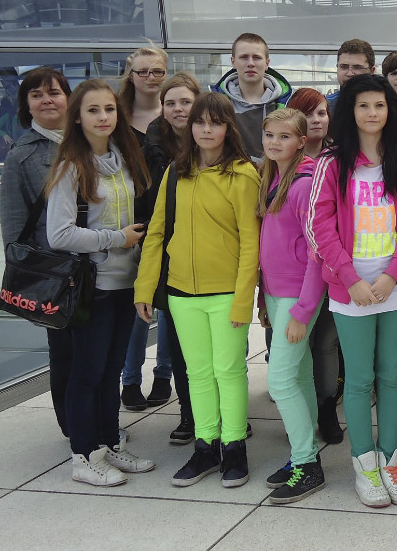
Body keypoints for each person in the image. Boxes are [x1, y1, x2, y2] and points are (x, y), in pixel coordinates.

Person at [133, 93, 261, 489]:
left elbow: (250, 244)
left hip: (226, 294)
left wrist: (244, 298)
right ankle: (206, 446)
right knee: (199, 373)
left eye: (215, 122)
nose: (207, 129)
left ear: (228, 128)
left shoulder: (242, 174)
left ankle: (234, 447)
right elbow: (156, 233)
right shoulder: (176, 171)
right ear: (190, 128)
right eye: (200, 122)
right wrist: (145, 287)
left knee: (229, 371)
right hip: (180, 294)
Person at [306, 74, 397, 508]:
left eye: (380, 105)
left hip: (395, 285)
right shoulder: (332, 163)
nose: (372, 113)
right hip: (349, 287)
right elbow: (318, 228)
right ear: (349, 112)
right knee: (359, 379)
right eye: (363, 106)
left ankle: (391, 462)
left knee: (393, 376)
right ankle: (364, 464)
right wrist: (350, 279)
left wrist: (393, 273)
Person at [46, 79, 153, 486]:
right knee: (87, 372)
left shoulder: (125, 159)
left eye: (109, 109)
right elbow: (59, 234)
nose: (103, 117)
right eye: (93, 110)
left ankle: (109, 444)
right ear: (77, 116)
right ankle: (83, 455)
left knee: (111, 371)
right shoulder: (71, 166)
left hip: (126, 282)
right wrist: (116, 239)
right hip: (92, 287)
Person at [258, 108, 327, 504]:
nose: (274, 143)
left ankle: (306, 463)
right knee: (298, 376)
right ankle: (306, 454)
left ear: (301, 141)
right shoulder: (275, 177)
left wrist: (302, 311)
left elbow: (316, 254)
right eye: (269, 135)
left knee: (279, 381)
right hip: (276, 292)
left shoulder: (303, 185)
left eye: (284, 136)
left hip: (297, 296)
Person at [0, 68, 72, 436]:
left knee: (97, 354)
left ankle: (101, 422)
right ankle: (72, 425)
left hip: (95, 267)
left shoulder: (88, 142)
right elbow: (14, 228)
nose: (47, 100)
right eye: (37, 95)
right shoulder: (22, 157)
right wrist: (31, 276)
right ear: (26, 105)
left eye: (54, 92)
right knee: (64, 354)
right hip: (56, 273)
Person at [137, 72, 201, 445]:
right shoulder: (150, 150)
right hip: (171, 260)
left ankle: (225, 413)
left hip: (212, 259)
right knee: (179, 343)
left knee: (221, 348)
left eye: (185, 101)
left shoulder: (215, 142)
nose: (178, 109)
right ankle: (190, 415)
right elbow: (147, 211)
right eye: (171, 102)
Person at [118, 46, 174, 414]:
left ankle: (164, 374)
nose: (150, 78)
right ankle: (130, 378)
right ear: (130, 74)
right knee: (136, 304)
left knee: (170, 308)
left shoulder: (176, 113)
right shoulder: (118, 116)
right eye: (143, 72)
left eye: (157, 71)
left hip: (172, 221)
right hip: (133, 223)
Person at [285, 88, 342, 444]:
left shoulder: (339, 159)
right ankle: (299, 409)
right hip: (291, 274)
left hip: (330, 266)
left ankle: (325, 408)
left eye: (322, 112)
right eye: (309, 113)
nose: (317, 119)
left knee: (325, 342)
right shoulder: (279, 160)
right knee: (294, 345)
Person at [210, 33, 292, 161]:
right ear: (233, 62)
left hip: (277, 179)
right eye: (243, 57)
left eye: (257, 57)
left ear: (267, 63)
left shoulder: (287, 104)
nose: (250, 63)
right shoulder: (216, 105)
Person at [328, 38, 376, 114]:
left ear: (372, 71)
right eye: (344, 67)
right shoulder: (325, 108)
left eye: (357, 67)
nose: (350, 74)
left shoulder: (387, 107)